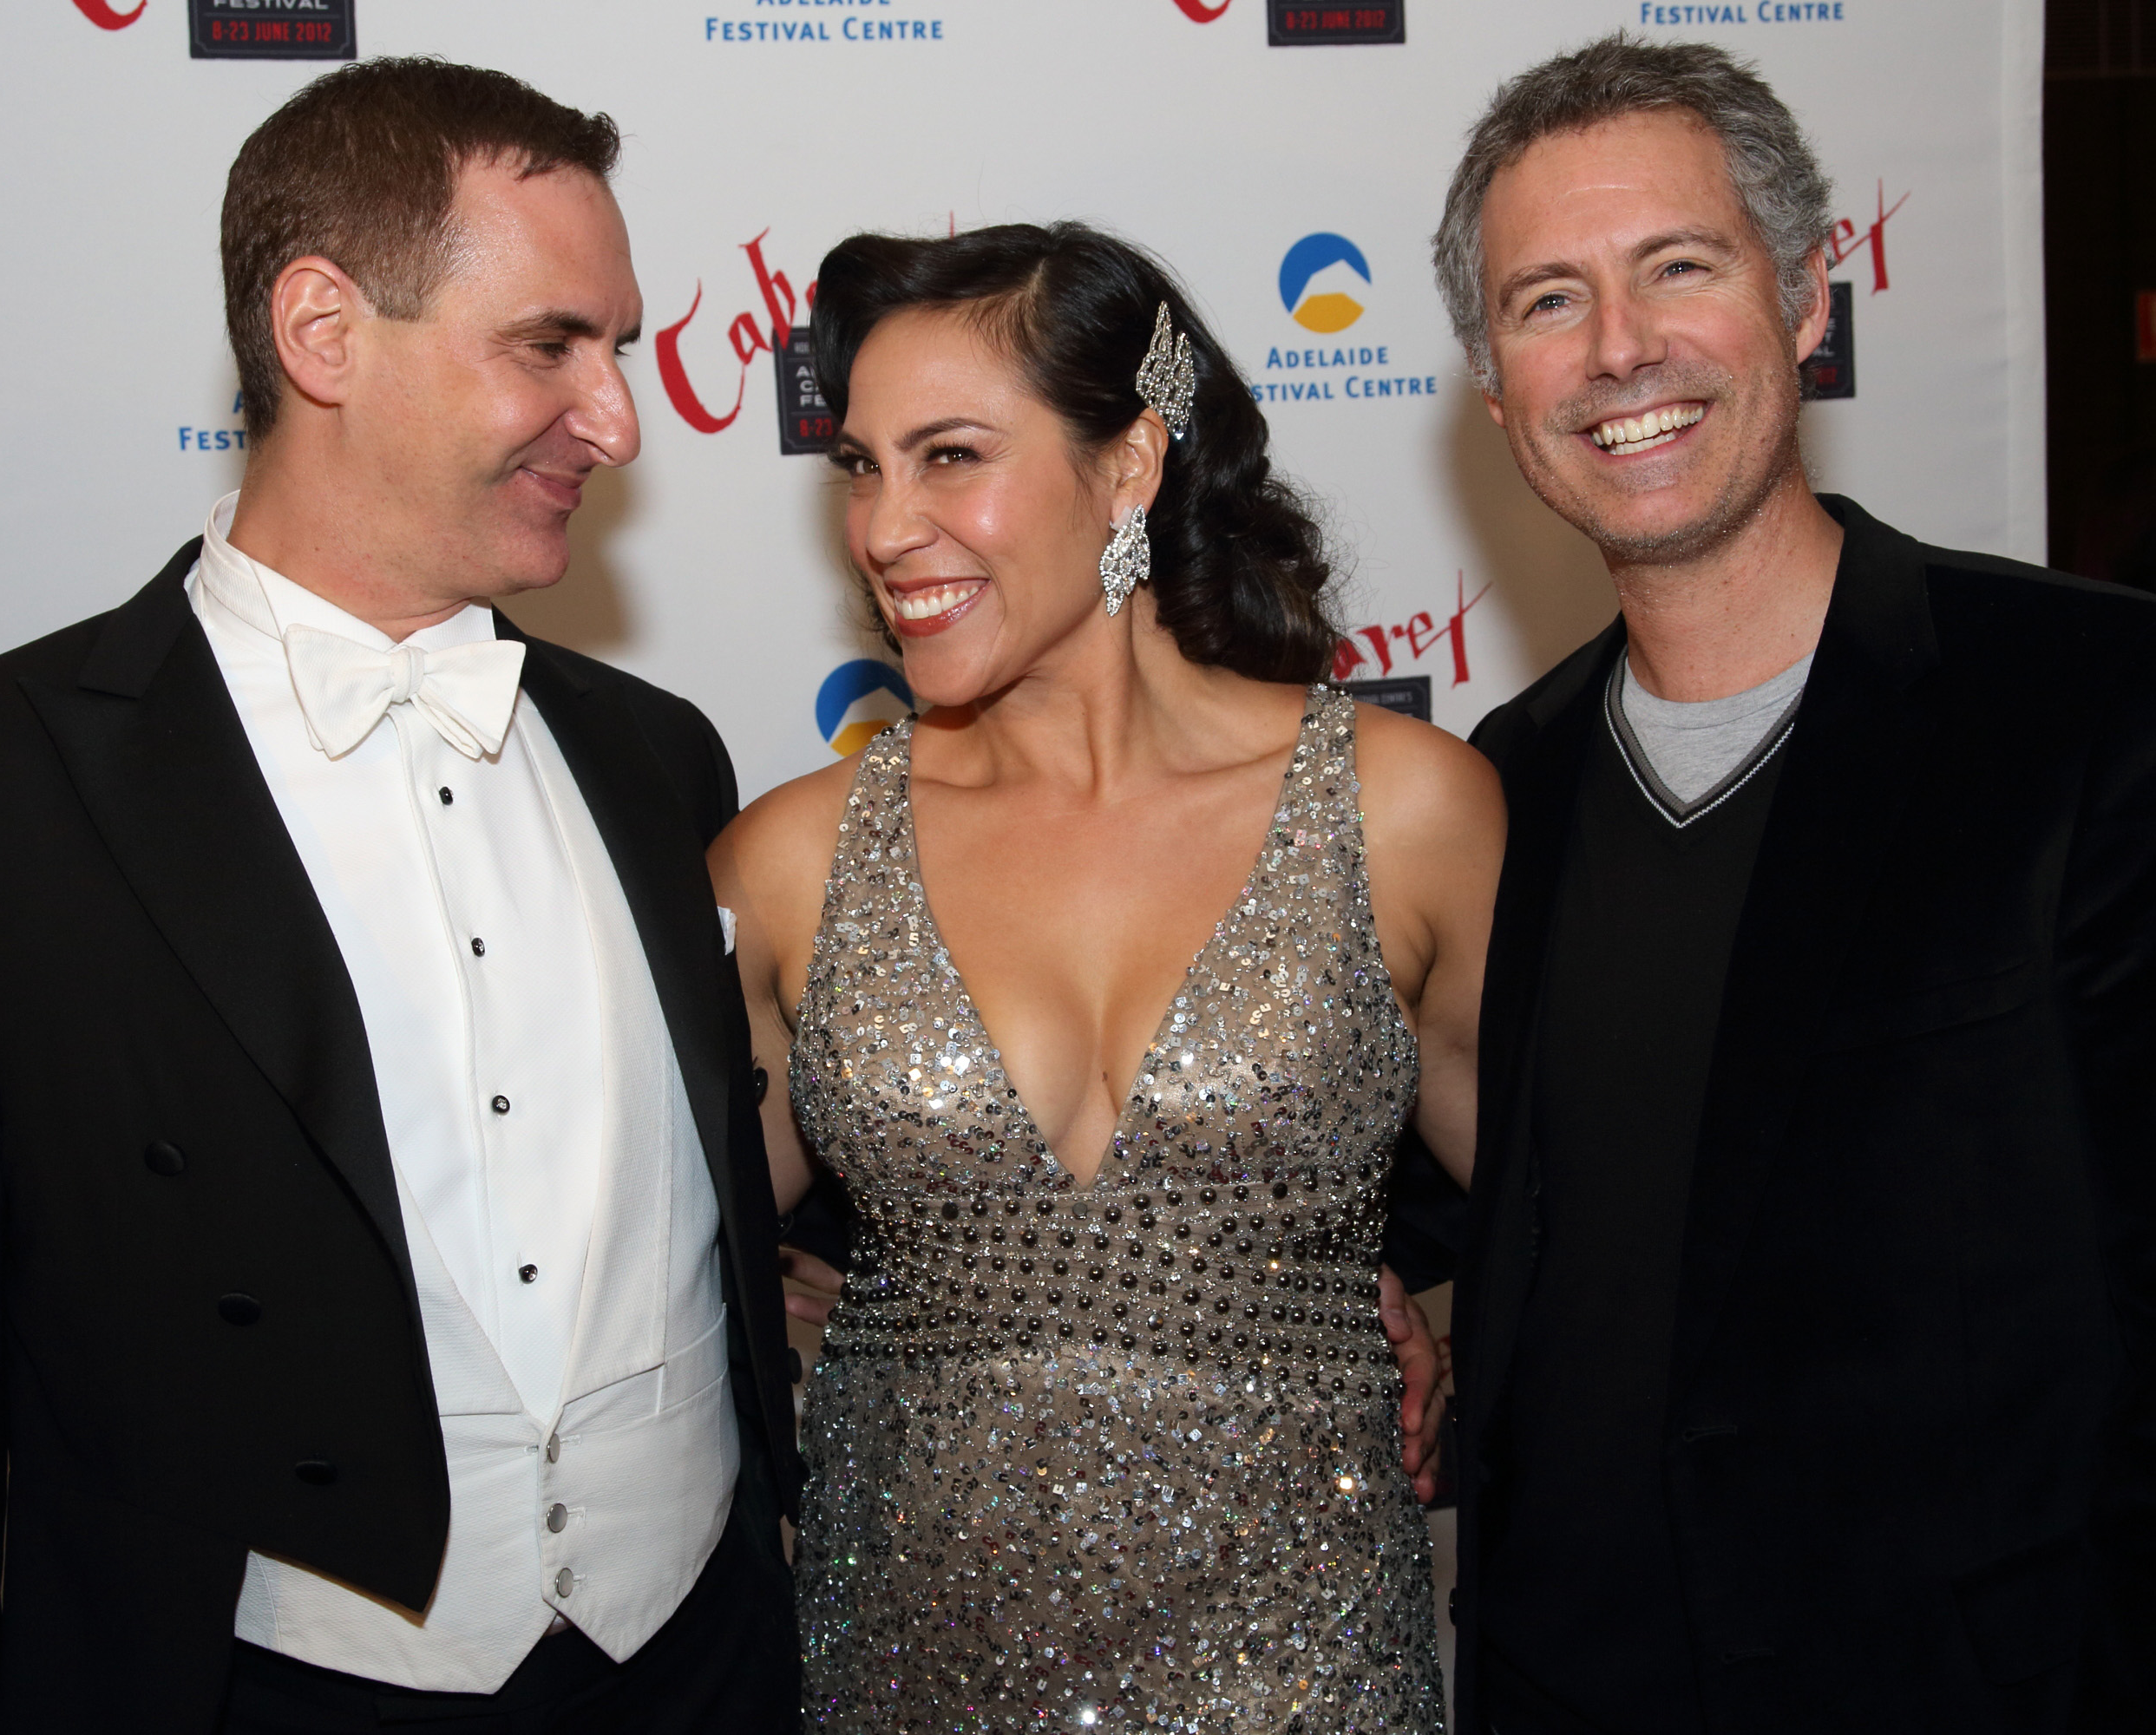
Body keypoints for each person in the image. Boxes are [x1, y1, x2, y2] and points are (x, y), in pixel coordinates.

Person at [0, 59, 799, 1735]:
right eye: (551, 345)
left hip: (704, 1664)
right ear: (322, 331)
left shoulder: (656, 753)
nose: (620, 421)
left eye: (616, 348)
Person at [1422, 33, 2156, 1734]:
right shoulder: (1500, 786)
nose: (1620, 347)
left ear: (1809, 297)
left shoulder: (2089, 706)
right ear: (1495, 388)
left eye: (1679, 266)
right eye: (1548, 300)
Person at [712, 222, 1504, 1732]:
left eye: (951, 457)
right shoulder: (792, 860)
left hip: (1306, 1676)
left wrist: (1435, 1349)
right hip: (907, 1673)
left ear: (1131, 463)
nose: (885, 528)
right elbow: (652, 1265)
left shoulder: (1403, 812)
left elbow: (1588, 1231)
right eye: (862, 468)